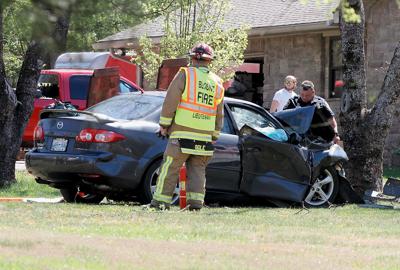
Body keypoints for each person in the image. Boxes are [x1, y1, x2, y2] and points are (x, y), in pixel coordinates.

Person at [150, 43, 225, 211]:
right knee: (198, 170)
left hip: (182, 133)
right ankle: (195, 205)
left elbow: (171, 101)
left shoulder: (185, 74)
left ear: (192, 58)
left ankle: (160, 203)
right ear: (210, 61)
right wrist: (214, 134)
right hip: (205, 136)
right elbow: (219, 112)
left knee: (170, 167)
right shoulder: (217, 82)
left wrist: (164, 125)